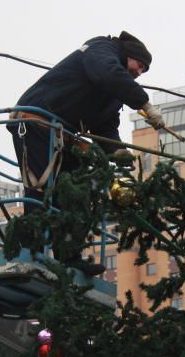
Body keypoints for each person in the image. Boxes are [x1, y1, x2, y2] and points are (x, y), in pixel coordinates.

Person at [9, 31, 165, 275]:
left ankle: (69, 257)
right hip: (36, 123)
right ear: (128, 55)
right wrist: (143, 103)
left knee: (75, 194)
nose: (139, 73)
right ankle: (31, 251)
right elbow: (109, 74)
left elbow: (105, 125)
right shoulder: (100, 49)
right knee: (40, 189)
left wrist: (118, 150)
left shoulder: (112, 90)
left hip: (64, 136)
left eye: (144, 71)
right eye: (139, 65)